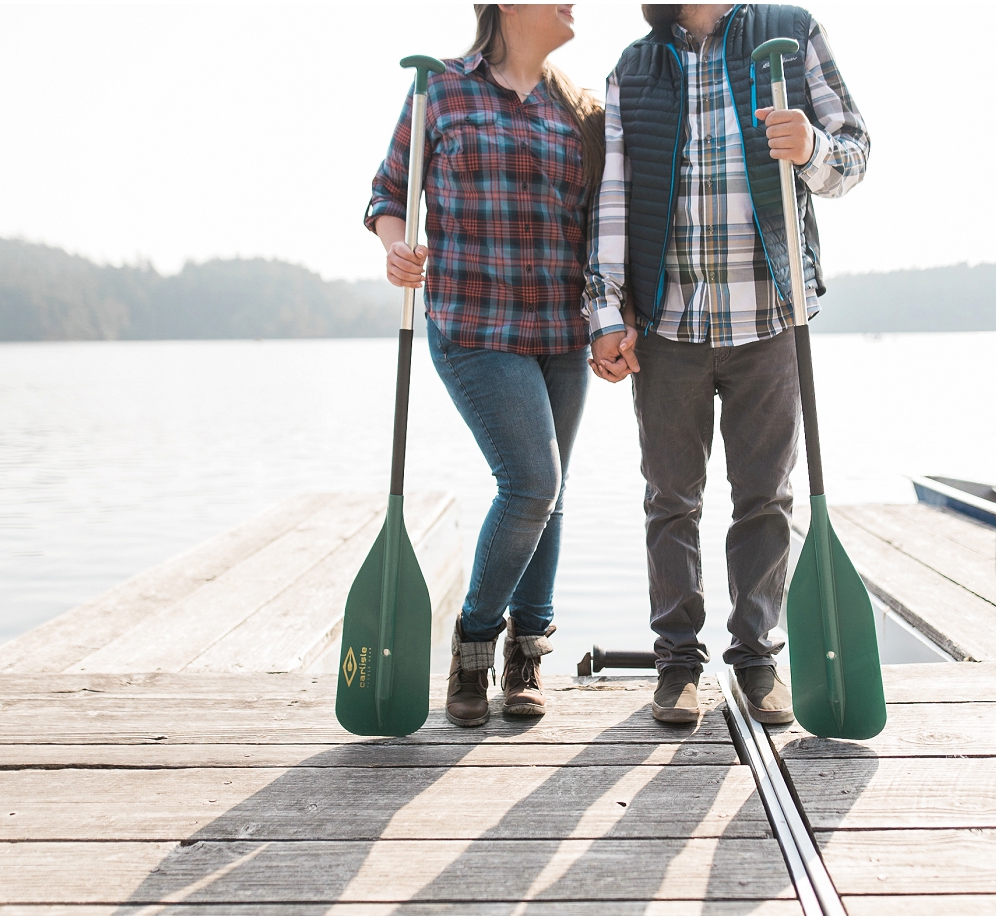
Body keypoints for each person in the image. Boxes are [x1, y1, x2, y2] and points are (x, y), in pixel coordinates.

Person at [583, 4, 870, 725]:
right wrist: (605, 313)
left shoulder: (789, 33)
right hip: (669, 323)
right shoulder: (635, 67)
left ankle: (756, 661)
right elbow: (612, 197)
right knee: (671, 499)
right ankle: (677, 665)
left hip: (771, 316)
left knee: (766, 497)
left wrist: (810, 149)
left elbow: (854, 153)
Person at [366, 4, 603, 727]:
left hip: (563, 328)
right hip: (472, 323)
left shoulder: (584, 111)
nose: (574, 4)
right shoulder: (439, 90)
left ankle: (526, 655)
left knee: (550, 493)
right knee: (532, 481)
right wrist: (396, 244)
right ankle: (475, 640)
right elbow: (387, 191)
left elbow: (601, 225)